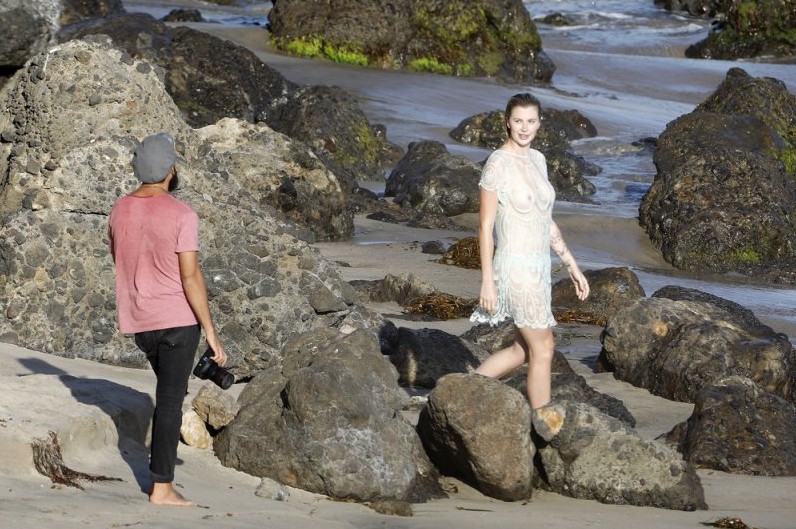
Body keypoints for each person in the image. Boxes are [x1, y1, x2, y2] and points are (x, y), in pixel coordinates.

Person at [108, 132, 228, 506]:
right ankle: (161, 486)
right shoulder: (182, 214)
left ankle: (162, 474)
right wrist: (211, 332)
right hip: (177, 320)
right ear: (171, 170)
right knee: (171, 401)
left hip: (139, 322)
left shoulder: (119, 209)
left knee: (170, 394)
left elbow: (120, 258)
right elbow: (190, 276)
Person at [470, 93, 589, 410]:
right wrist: (488, 282)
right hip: (515, 268)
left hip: (539, 268)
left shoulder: (538, 160)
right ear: (507, 122)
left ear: (539, 123)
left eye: (531, 121)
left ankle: (462, 387)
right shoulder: (497, 164)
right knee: (544, 347)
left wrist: (571, 265)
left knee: (521, 350)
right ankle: (542, 420)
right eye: (518, 121)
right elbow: (484, 227)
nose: (525, 128)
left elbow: (544, 219)